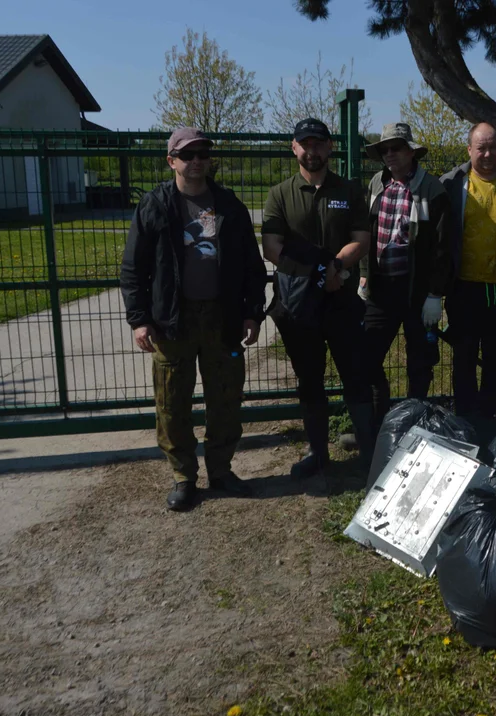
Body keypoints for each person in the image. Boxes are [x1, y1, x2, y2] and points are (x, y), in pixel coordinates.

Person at [120, 127, 266, 511]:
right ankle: (184, 476)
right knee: (172, 402)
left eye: (203, 154)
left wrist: (252, 312)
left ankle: (221, 470)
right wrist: (139, 319)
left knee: (226, 398)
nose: (197, 161)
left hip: (223, 318)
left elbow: (252, 265)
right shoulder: (154, 206)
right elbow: (133, 269)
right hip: (173, 321)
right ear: (172, 161)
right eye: (188, 155)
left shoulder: (229, 206)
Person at [261, 117, 373, 479]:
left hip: (341, 299)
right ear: (294, 148)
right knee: (309, 380)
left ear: (329, 148)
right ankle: (318, 452)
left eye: (318, 144)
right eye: (304, 144)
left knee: (356, 375)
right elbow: (272, 247)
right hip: (300, 306)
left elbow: (361, 238)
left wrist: (336, 269)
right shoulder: (280, 193)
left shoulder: (350, 190)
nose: (312, 151)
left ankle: (368, 453)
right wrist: (315, 274)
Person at [359, 122, 452, 431]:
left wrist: (435, 295)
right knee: (367, 357)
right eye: (384, 149)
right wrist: (363, 276)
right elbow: (365, 235)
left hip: (416, 290)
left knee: (420, 363)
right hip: (381, 289)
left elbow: (442, 247)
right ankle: (378, 426)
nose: (389, 155)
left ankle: (416, 426)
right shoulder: (376, 184)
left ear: (411, 151)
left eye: (396, 148)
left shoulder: (431, 188)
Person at [440, 122, 496, 421]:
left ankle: (488, 416)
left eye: (493, 146)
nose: (488, 153)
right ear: (469, 149)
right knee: (464, 356)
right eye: (481, 147)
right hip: (464, 287)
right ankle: (466, 418)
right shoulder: (453, 183)